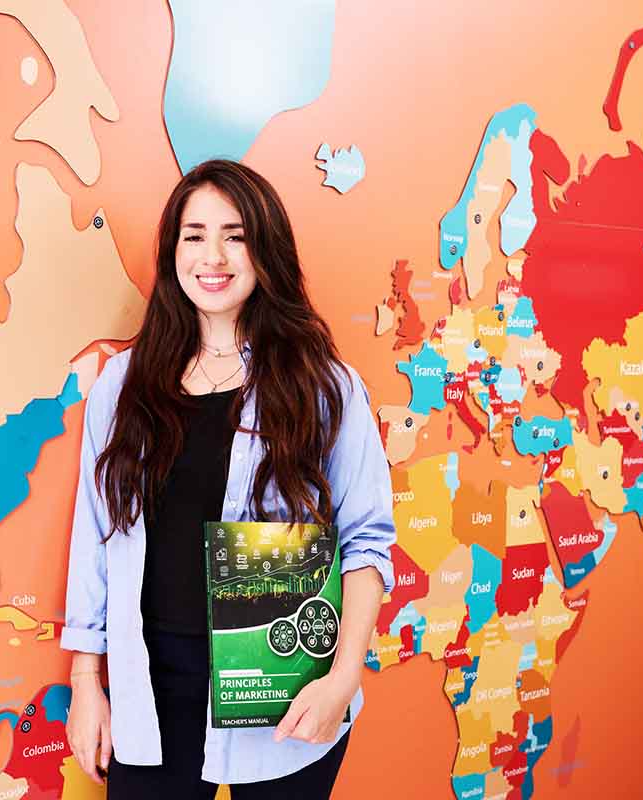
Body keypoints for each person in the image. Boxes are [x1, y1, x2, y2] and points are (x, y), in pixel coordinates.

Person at [60, 159, 396, 800]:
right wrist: (87, 683)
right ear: (172, 251)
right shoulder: (121, 387)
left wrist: (343, 678)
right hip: (151, 691)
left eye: (234, 235)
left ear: (264, 248)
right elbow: (95, 539)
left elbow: (366, 543)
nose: (212, 255)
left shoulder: (323, 386)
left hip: (286, 682)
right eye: (193, 235)